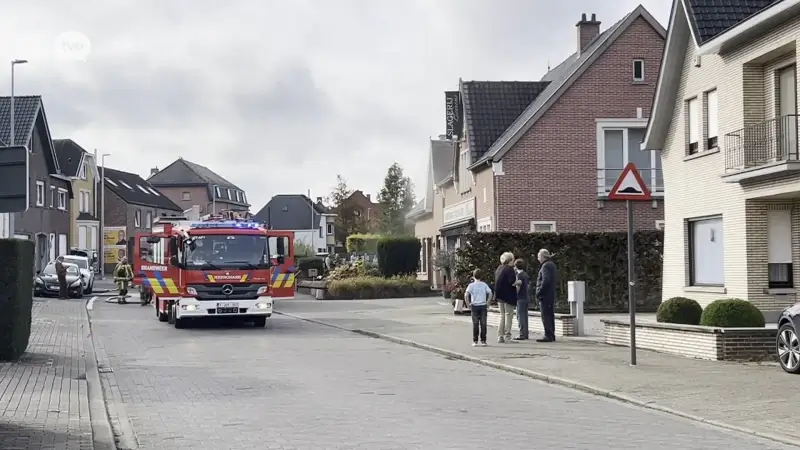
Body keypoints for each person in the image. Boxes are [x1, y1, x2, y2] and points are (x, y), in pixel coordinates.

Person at [494, 251, 517, 343]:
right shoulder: (509, 269)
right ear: (510, 260)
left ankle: (500, 336)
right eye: (513, 259)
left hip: (500, 296)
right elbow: (512, 282)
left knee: (502, 316)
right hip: (508, 296)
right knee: (509, 316)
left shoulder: (499, 268)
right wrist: (519, 282)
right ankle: (508, 336)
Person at [535, 249, 558, 342]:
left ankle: (548, 335)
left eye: (538, 256)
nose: (538, 259)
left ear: (543, 256)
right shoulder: (552, 265)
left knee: (545, 315)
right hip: (550, 295)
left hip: (545, 295)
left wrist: (539, 291)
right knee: (550, 315)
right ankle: (551, 334)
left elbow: (545, 280)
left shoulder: (545, 266)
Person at [465, 269, 492, 347]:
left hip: (474, 306)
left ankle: (475, 341)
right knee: (483, 324)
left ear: (473, 276)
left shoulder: (471, 285)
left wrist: (468, 304)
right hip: (483, 306)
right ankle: (483, 340)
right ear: (482, 276)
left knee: (475, 324)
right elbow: (490, 293)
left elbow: (466, 294)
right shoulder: (484, 285)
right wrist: (488, 303)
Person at [513, 258, 530, 341]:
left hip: (520, 298)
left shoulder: (519, 276)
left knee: (520, 316)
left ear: (516, 266)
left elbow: (518, 286)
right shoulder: (525, 275)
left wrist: (515, 295)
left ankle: (522, 334)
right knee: (525, 316)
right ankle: (525, 333)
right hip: (526, 297)